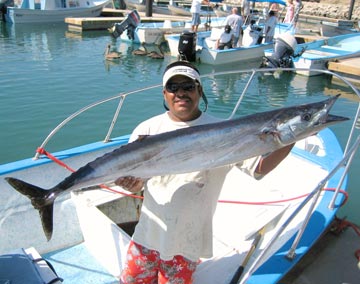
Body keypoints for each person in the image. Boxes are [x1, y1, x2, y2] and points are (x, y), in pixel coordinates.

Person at [116, 60, 294, 284]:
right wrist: (132, 184)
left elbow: (259, 170)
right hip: (146, 236)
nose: (181, 93)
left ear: (199, 90)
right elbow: (138, 182)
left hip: (186, 245)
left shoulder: (226, 132)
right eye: (173, 88)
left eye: (188, 87)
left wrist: (291, 138)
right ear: (164, 94)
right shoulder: (147, 130)